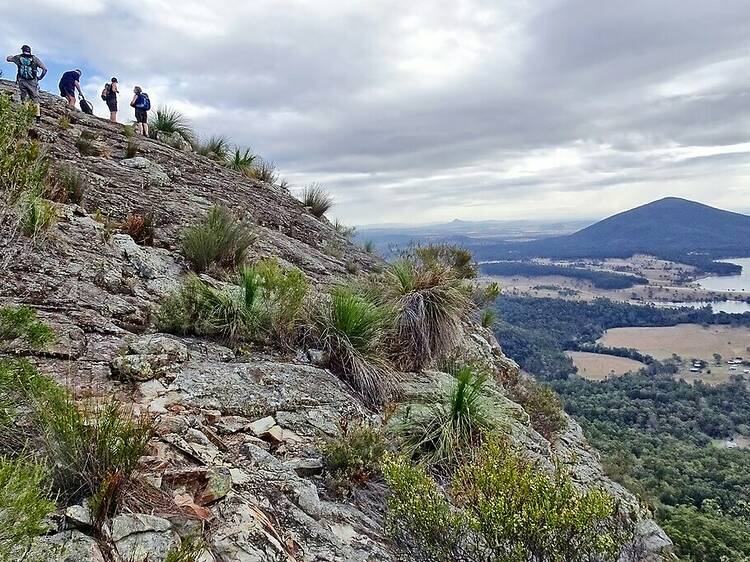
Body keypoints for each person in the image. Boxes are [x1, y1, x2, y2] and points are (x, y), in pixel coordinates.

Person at [6, 45, 47, 122]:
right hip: (32, 81)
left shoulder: (18, 57)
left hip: (22, 80)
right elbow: (45, 69)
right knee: (35, 98)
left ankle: (25, 115)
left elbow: (8, 59)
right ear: (30, 50)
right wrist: (40, 77)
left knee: (24, 97)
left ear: (22, 50)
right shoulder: (34, 59)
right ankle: (37, 117)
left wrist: (11, 57)